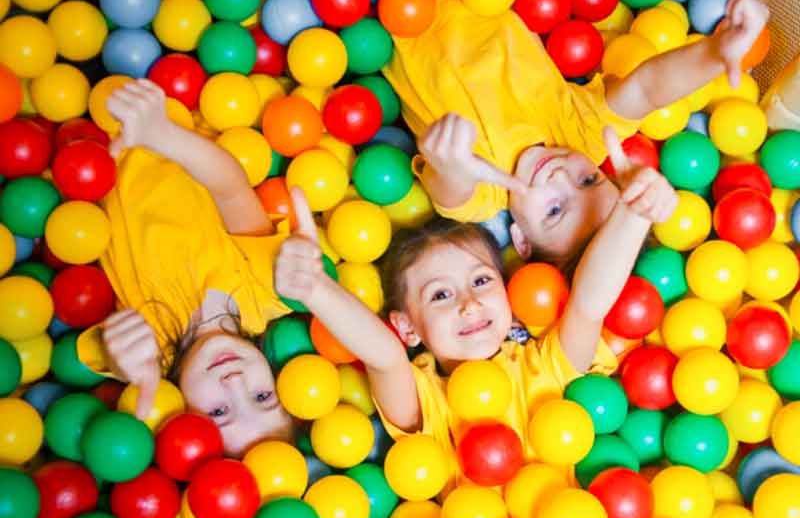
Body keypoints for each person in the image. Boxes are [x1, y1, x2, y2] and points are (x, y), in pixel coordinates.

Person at [274, 126, 674, 491]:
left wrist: (634, 214)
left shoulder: (542, 366)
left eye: (481, 281)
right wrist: (317, 290)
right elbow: (382, 355)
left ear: (507, 291)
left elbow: (589, 302)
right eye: (439, 295)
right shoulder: (427, 400)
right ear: (407, 327)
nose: (468, 304)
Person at [383, 0, 769, 268]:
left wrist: (451, 164)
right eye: (589, 179)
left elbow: (446, 189)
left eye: (554, 210)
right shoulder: (582, 132)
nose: (560, 176)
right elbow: (649, 89)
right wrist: (718, 52)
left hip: (398, 15)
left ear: (520, 239)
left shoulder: (484, 194)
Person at [76, 79, 294, 456]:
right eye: (262, 395)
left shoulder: (154, 356)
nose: (234, 380)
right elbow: (230, 187)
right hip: (167, 111)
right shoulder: (265, 292)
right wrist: (159, 133)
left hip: (83, 149)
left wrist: (126, 364)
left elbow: (119, 354)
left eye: (220, 411)